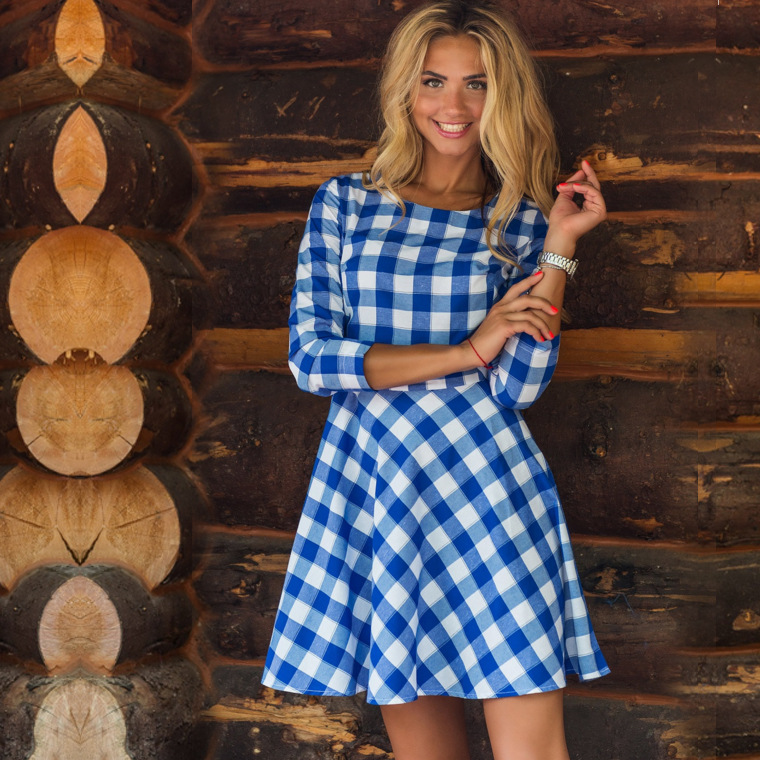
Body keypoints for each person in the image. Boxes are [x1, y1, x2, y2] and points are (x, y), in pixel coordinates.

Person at [261, 2, 610, 758]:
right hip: (378, 489)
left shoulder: (523, 222)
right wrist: (468, 350)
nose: (453, 105)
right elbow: (313, 359)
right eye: (433, 81)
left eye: (476, 83)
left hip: (487, 490)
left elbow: (519, 387)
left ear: (502, 96)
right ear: (406, 90)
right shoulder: (345, 203)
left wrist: (560, 243)